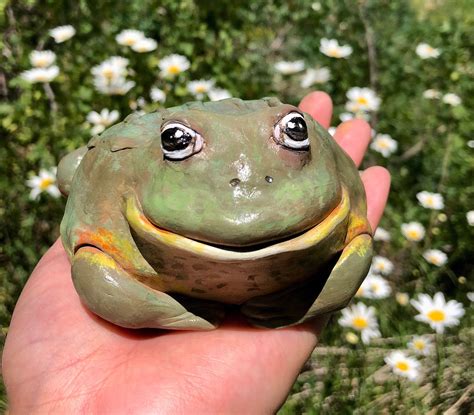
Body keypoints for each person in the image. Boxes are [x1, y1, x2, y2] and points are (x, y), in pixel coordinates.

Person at [2, 91, 390, 413]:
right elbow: (93, 269)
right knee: (72, 171)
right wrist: (167, 312)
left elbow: (357, 246)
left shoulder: (328, 172)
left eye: (293, 133)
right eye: (177, 141)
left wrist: (308, 299)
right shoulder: (126, 168)